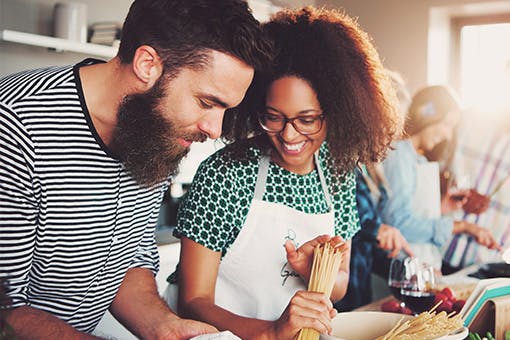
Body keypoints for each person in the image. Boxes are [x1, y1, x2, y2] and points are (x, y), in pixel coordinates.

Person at [0, 0, 273, 338]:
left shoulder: (154, 132)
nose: (215, 129)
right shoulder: (16, 126)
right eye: (206, 102)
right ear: (147, 64)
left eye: (225, 110)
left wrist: (165, 328)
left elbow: (129, 262)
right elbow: (5, 312)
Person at [165, 6, 401, 339]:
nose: (289, 135)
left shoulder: (337, 175)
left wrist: (312, 272)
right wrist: (272, 332)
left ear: (336, 112)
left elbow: (341, 282)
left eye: (306, 120)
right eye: (274, 117)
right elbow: (193, 301)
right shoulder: (225, 175)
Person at [380, 85, 500, 271]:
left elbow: (412, 212)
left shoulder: (416, 158)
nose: (448, 134)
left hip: (416, 268)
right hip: (396, 269)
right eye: (447, 124)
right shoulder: (399, 154)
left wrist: (442, 209)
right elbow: (400, 224)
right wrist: (463, 226)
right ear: (426, 114)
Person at [335, 164, 414, 312]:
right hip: (338, 296)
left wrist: (407, 272)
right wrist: (376, 230)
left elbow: (369, 250)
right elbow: (339, 223)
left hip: (360, 293)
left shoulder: (370, 171)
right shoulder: (341, 166)